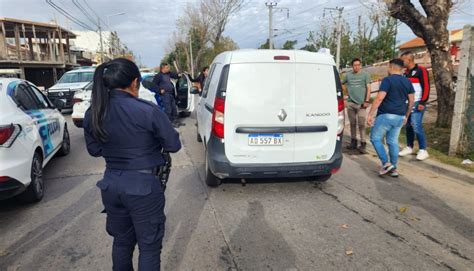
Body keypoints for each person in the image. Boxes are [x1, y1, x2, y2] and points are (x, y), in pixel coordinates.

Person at [83, 58, 181, 270]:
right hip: (143, 188)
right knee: (149, 247)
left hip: (111, 186)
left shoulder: (93, 113)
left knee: (122, 241)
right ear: (135, 82)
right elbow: (173, 145)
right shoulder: (147, 110)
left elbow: (94, 150)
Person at [367, 58, 414, 177]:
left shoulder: (387, 80)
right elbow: (411, 101)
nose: (387, 69)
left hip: (386, 115)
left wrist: (370, 114)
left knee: (375, 138)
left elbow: (379, 98)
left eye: (388, 67)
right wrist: (407, 116)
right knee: (392, 142)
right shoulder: (407, 82)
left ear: (391, 67)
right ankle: (393, 169)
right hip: (400, 116)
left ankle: (386, 164)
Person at [399, 51, 430, 161]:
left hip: (418, 102)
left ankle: (423, 149)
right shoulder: (405, 73)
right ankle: (409, 146)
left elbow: (426, 86)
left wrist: (422, 102)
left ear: (409, 60)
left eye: (403, 60)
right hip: (407, 103)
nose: (402, 62)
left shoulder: (421, 71)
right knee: (407, 126)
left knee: (416, 125)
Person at [342, 58, 372, 153]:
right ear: (352, 66)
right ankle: (353, 142)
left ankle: (363, 143)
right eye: (355, 65)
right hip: (350, 103)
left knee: (362, 124)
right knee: (352, 124)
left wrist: (367, 100)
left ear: (360, 65)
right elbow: (341, 83)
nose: (357, 67)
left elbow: (368, 88)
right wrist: (346, 92)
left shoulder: (365, 75)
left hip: (361, 104)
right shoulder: (348, 75)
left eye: (358, 65)